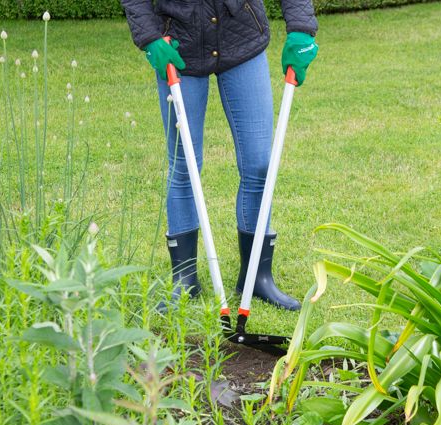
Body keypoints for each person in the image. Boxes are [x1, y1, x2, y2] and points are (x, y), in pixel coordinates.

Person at [121, 0, 319, 311]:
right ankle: (184, 280)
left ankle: (257, 277)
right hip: (177, 46)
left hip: (241, 36)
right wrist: (149, 37)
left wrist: (302, 28)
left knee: (259, 164)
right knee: (184, 164)